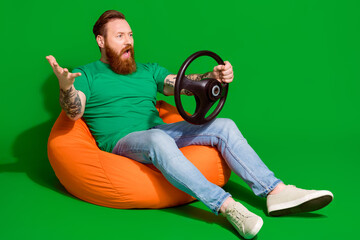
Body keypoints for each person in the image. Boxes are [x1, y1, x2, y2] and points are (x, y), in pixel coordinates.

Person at [46, 10, 333, 239]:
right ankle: (228, 207)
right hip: (123, 141)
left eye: (130, 35)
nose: (128, 41)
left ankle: (276, 192)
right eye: (119, 36)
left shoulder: (147, 71)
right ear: (101, 41)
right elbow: (74, 112)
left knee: (224, 125)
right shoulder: (87, 74)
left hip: (160, 132)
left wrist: (213, 75)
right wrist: (66, 87)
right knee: (159, 141)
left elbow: (180, 85)